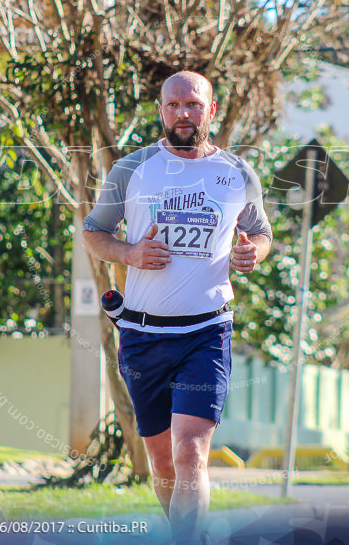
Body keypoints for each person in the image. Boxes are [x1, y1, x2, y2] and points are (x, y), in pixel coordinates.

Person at [82, 70, 272, 543]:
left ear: (210, 110)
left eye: (192, 104)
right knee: (163, 463)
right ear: (161, 111)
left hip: (207, 331)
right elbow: (92, 231)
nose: (182, 113)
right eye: (173, 105)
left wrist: (253, 252)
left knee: (191, 453)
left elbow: (262, 234)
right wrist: (128, 253)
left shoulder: (236, 173)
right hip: (144, 335)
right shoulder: (133, 168)